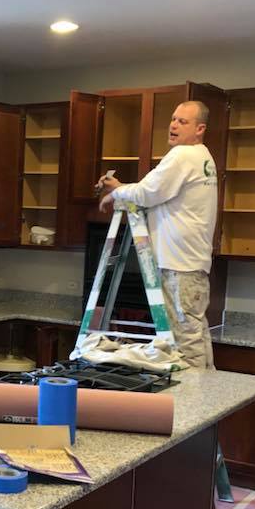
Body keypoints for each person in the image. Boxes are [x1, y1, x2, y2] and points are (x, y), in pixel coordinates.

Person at [98, 101, 218, 369]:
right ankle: (209, 394)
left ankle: (193, 405)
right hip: (192, 264)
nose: (174, 125)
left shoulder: (182, 156)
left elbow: (146, 193)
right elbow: (154, 191)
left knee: (184, 343)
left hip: (178, 265)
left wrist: (116, 191)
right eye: (173, 119)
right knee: (196, 334)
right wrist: (123, 188)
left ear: (200, 129)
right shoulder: (203, 156)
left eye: (182, 122)